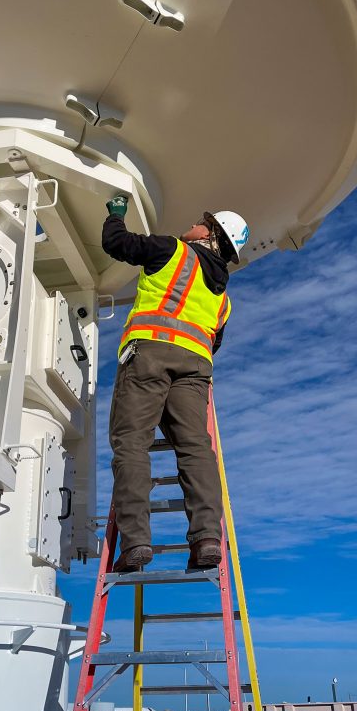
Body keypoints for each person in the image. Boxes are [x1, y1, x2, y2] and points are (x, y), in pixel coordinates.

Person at [102, 194, 249, 572]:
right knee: (196, 449)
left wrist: (115, 215)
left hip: (150, 354)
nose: (194, 223)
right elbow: (214, 340)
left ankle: (136, 543)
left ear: (209, 234)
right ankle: (207, 540)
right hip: (196, 369)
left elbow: (116, 244)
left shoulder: (172, 251)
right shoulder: (223, 298)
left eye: (202, 221)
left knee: (131, 443)